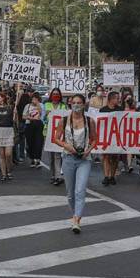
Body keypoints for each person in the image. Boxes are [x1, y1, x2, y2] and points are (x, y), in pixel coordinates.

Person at [52, 93, 96, 234]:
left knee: (80, 191)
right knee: (70, 194)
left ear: (84, 105)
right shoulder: (64, 121)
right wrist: (67, 146)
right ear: (70, 104)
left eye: (79, 102)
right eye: (74, 102)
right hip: (68, 158)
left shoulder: (89, 121)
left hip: (84, 160)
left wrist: (88, 150)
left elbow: (95, 139)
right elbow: (56, 138)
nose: (76, 105)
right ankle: (74, 214)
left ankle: (76, 220)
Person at [43, 88, 68, 185]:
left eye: (57, 94)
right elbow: (43, 119)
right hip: (48, 133)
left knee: (58, 155)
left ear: (60, 95)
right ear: (51, 95)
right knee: (51, 156)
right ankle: (53, 175)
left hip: (59, 133)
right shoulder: (46, 105)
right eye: (54, 94)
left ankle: (58, 176)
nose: (55, 95)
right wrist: (46, 115)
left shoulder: (63, 106)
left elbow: (66, 117)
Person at [98, 91, 122, 186]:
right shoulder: (103, 110)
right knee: (106, 157)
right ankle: (106, 176)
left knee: (115, 157)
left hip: (116, 137)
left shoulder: (120, 109)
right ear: (111, 99)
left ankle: (112, 176)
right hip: (106, 137)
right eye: (117, 98)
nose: (118, 100)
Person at [22, 92, 44, 167]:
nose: (34, 100)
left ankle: (38, 159)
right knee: (30, 142)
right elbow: (23, 116)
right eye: (33, 99)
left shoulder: (40, 105)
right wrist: (30, 118)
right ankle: (32, 158)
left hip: (38, 124)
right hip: (29, 124)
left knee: (38, 142)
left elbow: (42, 114)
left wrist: (38, 105)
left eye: (36, 99)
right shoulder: (27, 106)